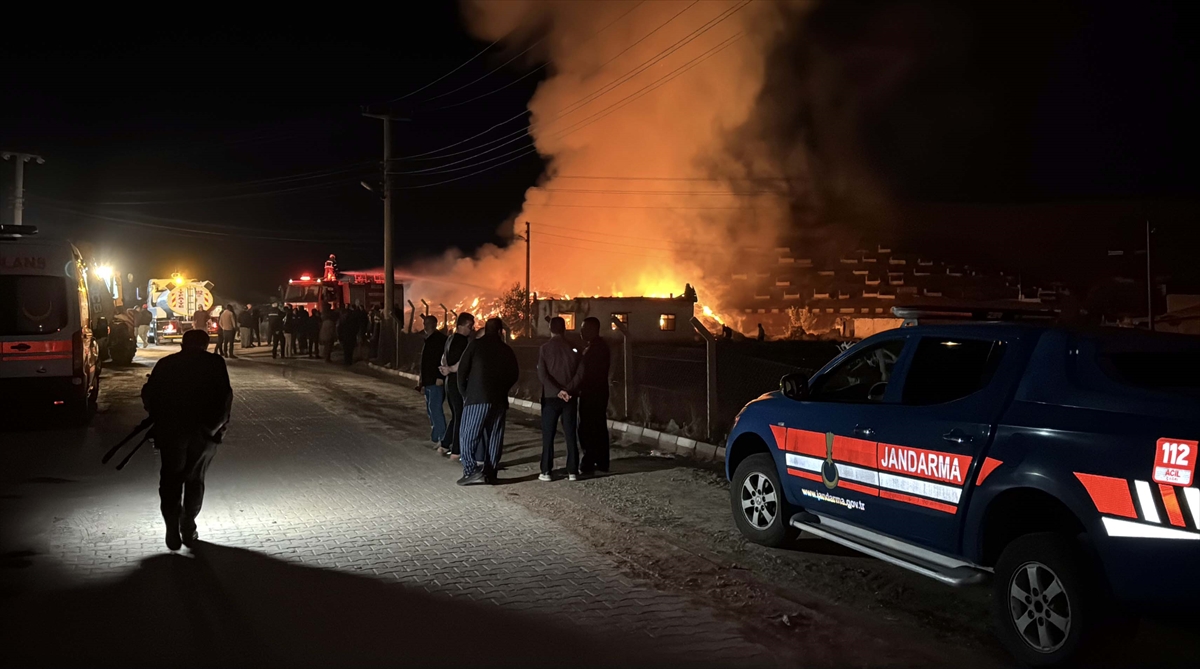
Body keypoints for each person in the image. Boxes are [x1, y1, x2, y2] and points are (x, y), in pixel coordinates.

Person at [140, 329, 232, 550]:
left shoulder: (166, 363)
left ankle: (172, 527)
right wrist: (215, 428)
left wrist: (157, 417)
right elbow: (225, 396)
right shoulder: (214, 363)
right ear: (206, 344)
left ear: (182, 344)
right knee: (194, 479)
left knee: (170, 480)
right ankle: (188, 526)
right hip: (203, 434)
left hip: (172, 431)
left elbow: (148, 393)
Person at [456, 318, 519, 486]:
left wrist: (465, 394)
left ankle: (471, 471)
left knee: (468, 434)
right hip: (498, 400)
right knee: (494, 437)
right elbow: (514, 374)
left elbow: (461, 371)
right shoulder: (506, 349)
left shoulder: (475, 346)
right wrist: (502, 389)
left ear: (486, 329)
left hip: (477, 398)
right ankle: (491, 473)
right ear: (500, 332)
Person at [537, 316, 584, 481]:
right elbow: (581, 372)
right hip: (569, 398)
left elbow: (543, 375)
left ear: (550, 329)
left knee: (548, 435)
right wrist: (568, 389)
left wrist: (557, 391)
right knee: (570, 434)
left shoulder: (544, 348)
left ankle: (546, 471)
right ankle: (573, 470)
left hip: (551, 397)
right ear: (564, 328)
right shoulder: (575, 348)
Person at [437, 312, 475, 459]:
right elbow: (463, 362)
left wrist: (445, 368)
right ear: (460, 326)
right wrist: (452, 369)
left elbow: (444, 358)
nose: (471, 329)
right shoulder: (462, 341)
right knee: (460, 415)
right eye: (469, 326)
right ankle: (456, 451)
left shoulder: (450, 338)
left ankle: (445, 444)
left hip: (449, 381)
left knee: (456, 415)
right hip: (457, 381)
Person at [578, 317, 611, 475]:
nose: (581, 331)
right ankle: (602, 460)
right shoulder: (599, 347)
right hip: (599, 392)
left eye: (584, 328)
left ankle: (589, 460)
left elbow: (589, 373)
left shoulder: (596, 349)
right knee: (598, 426)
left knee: (588, 427)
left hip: (592, 393)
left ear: (592, 329)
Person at [417, 315, 447, 446]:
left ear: (434, 324)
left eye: (427, 323)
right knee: (431, 409)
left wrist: (440, 377)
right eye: (424, 323)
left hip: (435, 381)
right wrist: (421, 380)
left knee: (435, 408)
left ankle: (442, 438)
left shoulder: (439, 340)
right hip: (428, 380)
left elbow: (443, 359)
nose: (425, 325)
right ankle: (435, 436)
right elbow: (425, 362)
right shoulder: (429, 340)